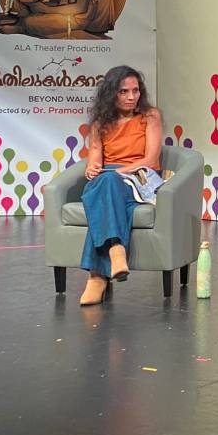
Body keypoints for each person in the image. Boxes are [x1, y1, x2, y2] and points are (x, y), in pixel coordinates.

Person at [77, 66, 163, 305]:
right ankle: (116, 250)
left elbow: (151, 160)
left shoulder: (150, 116)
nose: (131, 96)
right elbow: (94, 162)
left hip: (139, 177)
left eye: (135, 90)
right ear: (111, 93)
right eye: (124, 91)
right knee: (106, 185)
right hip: (107, 180)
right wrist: (92, 169)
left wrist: (117, 173)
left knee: (107, 187)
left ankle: (97, 277)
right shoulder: (100, 124)